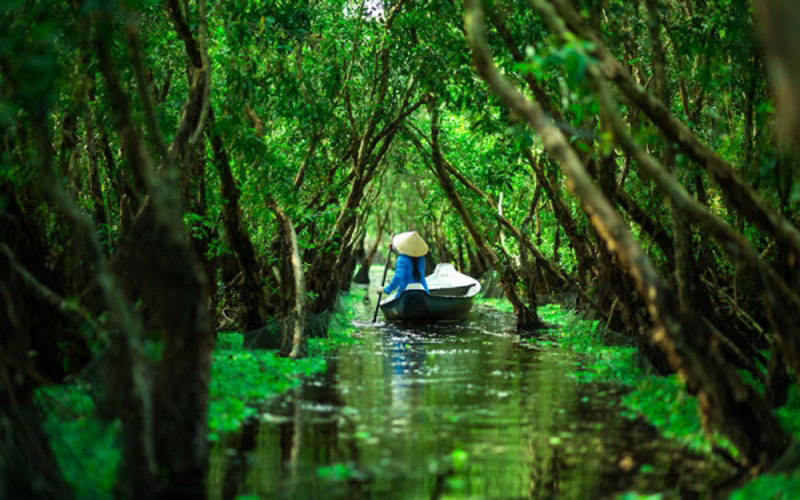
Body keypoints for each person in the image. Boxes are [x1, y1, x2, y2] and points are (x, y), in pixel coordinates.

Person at [382, 231, 429, 297]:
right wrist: (394, 250)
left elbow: (398, 277)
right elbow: (410, 259)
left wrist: (386, 289)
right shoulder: (421, 259)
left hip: (405, 295)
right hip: (424, 293)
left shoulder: (401, 260)